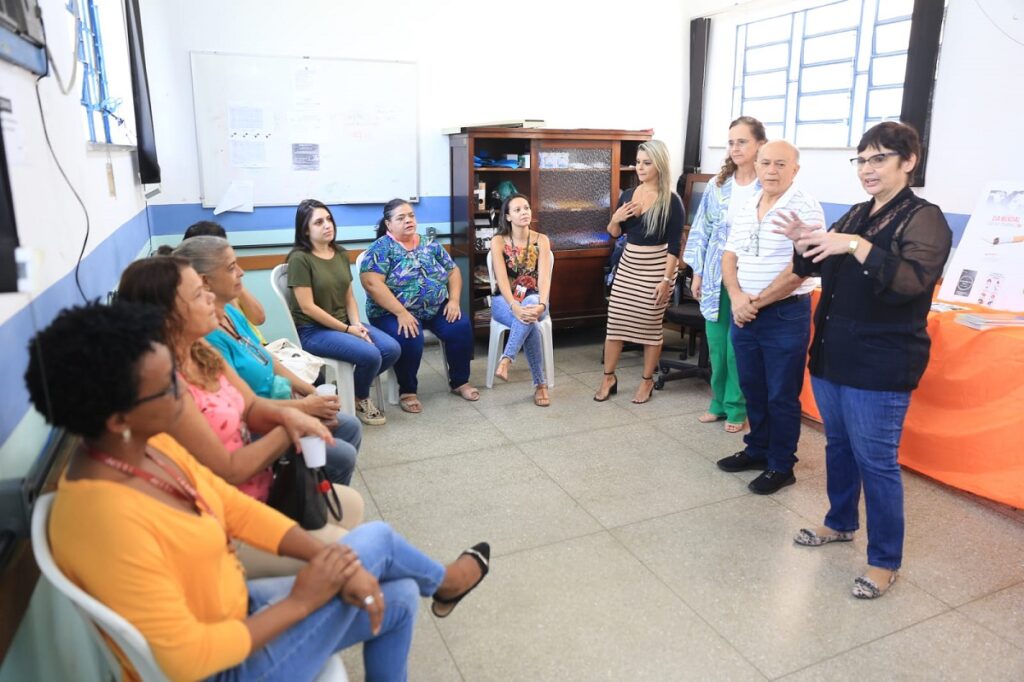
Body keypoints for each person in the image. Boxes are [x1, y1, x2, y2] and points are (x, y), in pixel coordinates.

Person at [27, 301, 490, 681]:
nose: (182, 392)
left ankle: (439, 586)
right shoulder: (104, 521)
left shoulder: (147, 448)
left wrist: (324, 561)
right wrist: (302, 599)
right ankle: (444, 584)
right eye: (167, 387)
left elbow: (233, 509)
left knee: (402, 593)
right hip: (224, 667)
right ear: (117, 419)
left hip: (236, 609)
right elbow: (188, 660)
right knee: (384, 550)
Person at [773, 122, 952, 599]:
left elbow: (912, 283)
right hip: (835, 353)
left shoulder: (924, 217)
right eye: (862, 160)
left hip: (882, 362)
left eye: (879, 159)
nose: (867, 169)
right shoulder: (856, 212)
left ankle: (884, 560)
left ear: (908, 161)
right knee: (839, 447)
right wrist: (803, 243)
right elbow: (816, 265)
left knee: (877, 462)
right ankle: (839, 522)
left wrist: (855, 245)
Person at [117, 256, 363, 577]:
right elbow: (230, 471)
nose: (209, 296)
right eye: (197, 294)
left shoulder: (203, 352)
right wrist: (293, 423)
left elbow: (250, 408)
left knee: (353, 507)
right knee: (349, 552)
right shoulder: (165, 384)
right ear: (165, 317)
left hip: (258, 491)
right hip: (225, 519)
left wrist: (303, 409)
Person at [173, 235, 364, 477]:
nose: (241, 273)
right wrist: (301, 408)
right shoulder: (206, 339)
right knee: (342, 456)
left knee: (350, 426)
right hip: (256, 424)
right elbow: (244, 407)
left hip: (279, 401)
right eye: (232, 267)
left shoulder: (230, 313)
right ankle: (307, 500)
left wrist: (311, 392)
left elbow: (266, 357)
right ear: (205, 282)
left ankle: (318, 494)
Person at [715, 140, 824, 495]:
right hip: (743, 312)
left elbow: (800, 270)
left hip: (783, 315)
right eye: (766, 163)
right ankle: (757, 449)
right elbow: (730, 255)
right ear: (757, 165)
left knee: (781, 393)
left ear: (795, 169)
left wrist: (755, 302)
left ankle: (781, 464)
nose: (771, 171)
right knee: (753, 387)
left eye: (780, 164)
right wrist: (736, 297)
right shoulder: (749, 203)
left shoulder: (805, 208)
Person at [682, 116, 766, 432]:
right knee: (717, 344)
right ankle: (717, 402)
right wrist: (699, 273)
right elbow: (701, 229)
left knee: (738, 347)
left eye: (742, 141)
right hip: (717, 273)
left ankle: (736, 407)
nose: (735, 148)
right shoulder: (719, 186)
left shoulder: (767, 184)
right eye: (731, 142)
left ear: (759, 144)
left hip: (751, 277)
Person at [287, 199, 400, 426]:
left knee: (391, 349)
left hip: (345, 324)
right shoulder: (299, 259)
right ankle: (360, 397)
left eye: (328, 219)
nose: (327, 225)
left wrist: (356, 324)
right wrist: (348, 329)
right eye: (319, 222)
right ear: (305, 230)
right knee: (370, 355)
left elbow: (349, 296)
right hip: (313, 331)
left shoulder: (339, 253)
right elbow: (308, 307)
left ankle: (349, 391)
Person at [360, 199, 479, 411]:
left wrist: (453, 300)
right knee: (410, 333)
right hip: (390, 313)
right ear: (388, 224)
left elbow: (453, 271)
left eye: (411, 215)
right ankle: (407, 390)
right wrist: (401, 312)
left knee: (460, 325)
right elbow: (371, 283)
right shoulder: (381, 249)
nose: (408, 220)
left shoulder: (429, 243)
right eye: (401, 217)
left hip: (433, 308)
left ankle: (460, 381)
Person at [596, 140, 685, 404]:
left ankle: (646, 381)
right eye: (638, 162)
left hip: (658, 268)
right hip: (629, 265)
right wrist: (616, 219)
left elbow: (674, 247)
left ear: (659, 164)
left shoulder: (672, 201)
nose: (640, 168)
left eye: (647, 163)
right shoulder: (628, 195)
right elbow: (614, 234)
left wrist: (666, 281)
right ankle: (608, 377)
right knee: (615, 325)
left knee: (650, 327)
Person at [489, 193, 553, 407]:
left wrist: (543, 304)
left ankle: (506, 359)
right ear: (507, 216)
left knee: (530, 307)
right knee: (529, 322)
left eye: (526, 208)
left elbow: (544, 279)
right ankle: (540, 385)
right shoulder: (498, 241)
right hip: (504, 302)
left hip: (537, 300)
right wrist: (514, 306)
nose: (524, 212)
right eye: (517, 210)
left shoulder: (541, 240)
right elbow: (502, 281)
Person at [184, 220, 267, 341]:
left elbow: (259, 318)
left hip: (258, 346)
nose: (240, 272)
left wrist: (236, 283)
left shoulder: (230, 283)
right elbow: (238, 337)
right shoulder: (205, 305)